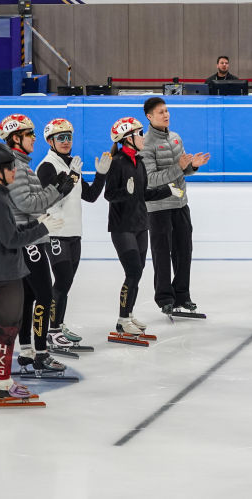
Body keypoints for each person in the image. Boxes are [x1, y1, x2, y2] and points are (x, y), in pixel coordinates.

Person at [0, 142, 63, 401]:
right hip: (4, 273)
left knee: (11, 325)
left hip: (9, 269)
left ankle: (3, 380)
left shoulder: (0, 195)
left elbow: (13, 234)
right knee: (7, 328)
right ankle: (2, 384)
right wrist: (43, 229)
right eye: (9, 167)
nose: (14, 171)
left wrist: (37, 223)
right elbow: (10, 240)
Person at [0, 114, 74, 375]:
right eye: (29, 135)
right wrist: (57, 190)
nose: (34, 139)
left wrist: (55, 190)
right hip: (29, 238)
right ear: (16, 138)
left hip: (30, 236)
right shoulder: (16, 166)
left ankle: (27, 351)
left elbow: (31, 200)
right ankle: (41, 354)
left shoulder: (21, 164)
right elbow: (27, 204)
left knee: (29, 296)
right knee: (43, 294)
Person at [36, 119, 110, 348]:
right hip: (55, 232)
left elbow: (90, 196)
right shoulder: (47, 166)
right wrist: (72, 177)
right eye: (61, 138)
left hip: (74, 233)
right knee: (63, 279)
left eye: (69, 137)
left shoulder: (71, 165)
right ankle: (52, 330)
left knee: (65, 284)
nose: (66, 142)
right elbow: (53, 197)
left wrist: (101, 175)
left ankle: (57, 324)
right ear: (50, 141)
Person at [104, 117, 179, 337]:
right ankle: (122, 319)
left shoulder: (139, 162)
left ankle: (129, 313)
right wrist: (124, 192)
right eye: (139, 134)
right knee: (133, 271)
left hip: (140, 224)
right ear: (127, 139)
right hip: (122, 227)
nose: (143, 137)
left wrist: (167, 190)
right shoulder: (117, 162)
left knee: (137, 273)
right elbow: (109, 195)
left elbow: (144, 193)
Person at [140, 97, 210, 316]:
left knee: (184, 251)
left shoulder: (176, 138)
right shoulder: (146, 144)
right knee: (162, 253)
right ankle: (164, 298)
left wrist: (192, 167)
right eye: (161, 112)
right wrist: (180, 168)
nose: (166, 114)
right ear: (149, 117)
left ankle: (183, 295)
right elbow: (151, 179)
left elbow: (182, 170)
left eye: (167, 110)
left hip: (180, 203)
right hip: (159, 206)